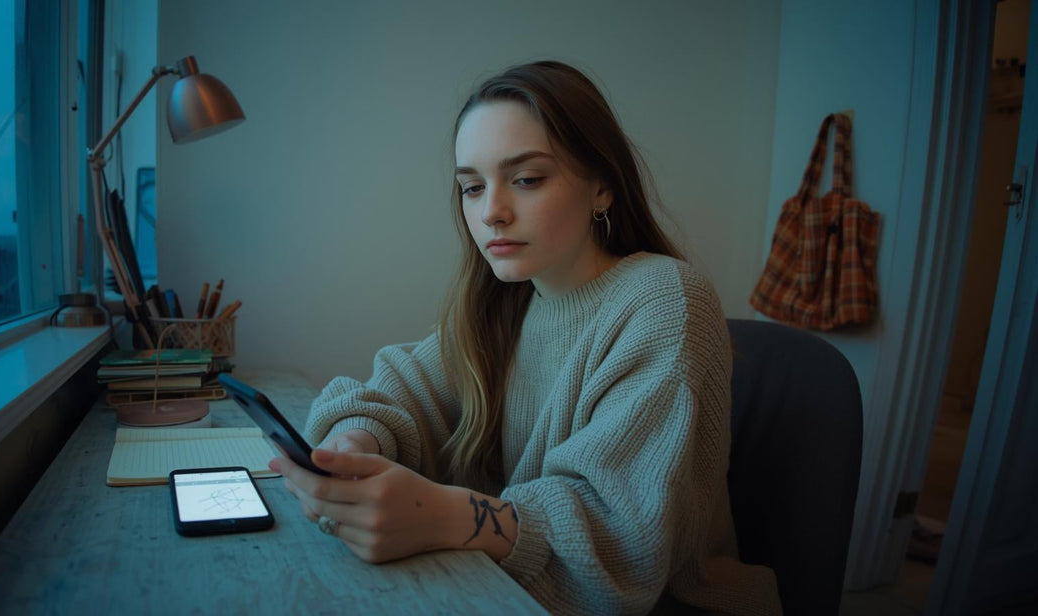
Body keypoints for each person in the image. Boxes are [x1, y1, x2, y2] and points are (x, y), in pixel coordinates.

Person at [269, 60, 782, 614]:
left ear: (602, 187)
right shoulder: (507, 300)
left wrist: (439, 515)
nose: (491, 212)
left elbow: (620, 537)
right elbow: (404, 389)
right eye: (472, 187)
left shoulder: (664, 299)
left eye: (527, 179)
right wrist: (354, 445)